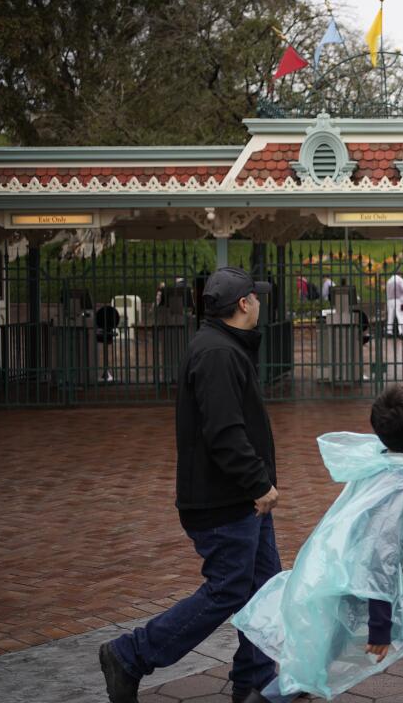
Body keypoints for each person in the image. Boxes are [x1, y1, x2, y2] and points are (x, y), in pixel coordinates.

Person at [100, 268, 280, 703]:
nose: (260, 303)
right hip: (227, 501)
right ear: (243, 304)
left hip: (240, 499)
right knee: (228, 591)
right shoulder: (218, 353)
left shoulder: (223, 346)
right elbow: (224, 432)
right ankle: (131, 654)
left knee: (264, 587)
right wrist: (259, 483)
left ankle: (254, 679)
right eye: (256, 297)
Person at [231, 387, 403, 703]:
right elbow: (381, 555)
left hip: (343, 580)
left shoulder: (379, 462)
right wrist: (381, 623)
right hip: (373, 591)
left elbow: (377, 506)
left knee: (313, 663)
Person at [386, 271, 403, 337]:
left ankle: (389, 332)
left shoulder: (389, 280)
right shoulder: (400, 280)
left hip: (389, 300)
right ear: (400, 275)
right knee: (400, 316)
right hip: (398, 299)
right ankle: (402, 332)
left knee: (390, 316)